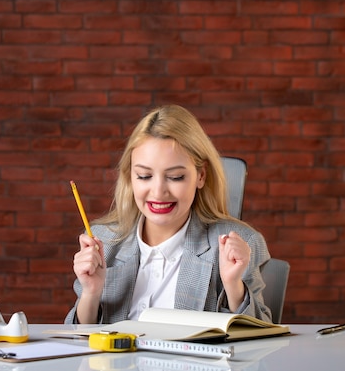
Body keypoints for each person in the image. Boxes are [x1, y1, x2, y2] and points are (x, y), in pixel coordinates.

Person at [65, 104, 272, 324]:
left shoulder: (241, 243)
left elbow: (264, 340)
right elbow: (78, 347)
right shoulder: (103, 242)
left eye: (175, 177)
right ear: (130, 178)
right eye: (144, 176)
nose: (158, 192)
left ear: (201, 176)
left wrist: (233, 287)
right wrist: (91, 294)